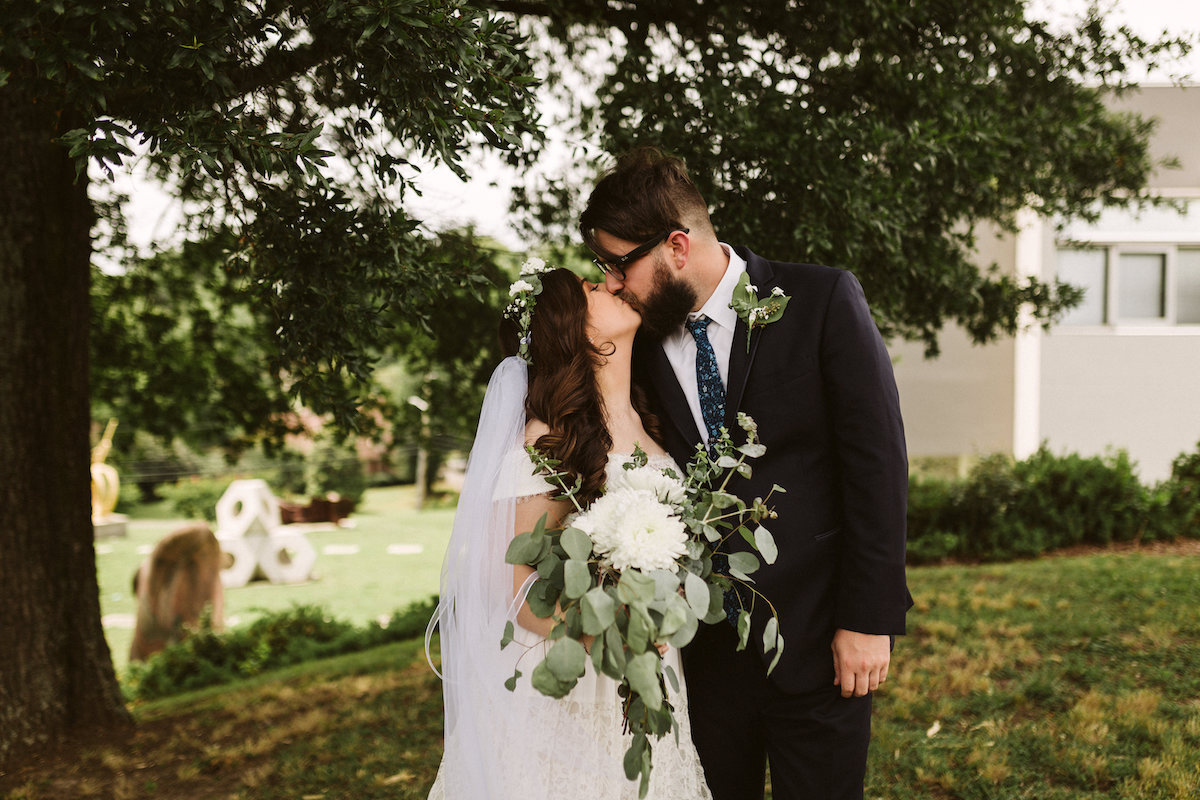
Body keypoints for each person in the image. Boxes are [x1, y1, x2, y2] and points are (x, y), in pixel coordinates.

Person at [579, 147, 912, 800]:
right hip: (700, 659)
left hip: (821, 642)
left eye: (620, 264)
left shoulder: (820, 299)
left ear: (677, 246)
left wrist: (869, 621)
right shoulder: (635, 345)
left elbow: (877, 468)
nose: (614, 283)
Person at [425, 267, 712, 799]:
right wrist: (617, 638)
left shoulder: (649, 423)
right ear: (574, 330)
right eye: (591, 290)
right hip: (578, 680)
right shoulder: (551, 438)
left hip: (649, 673)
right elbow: (517, 586)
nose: (610, 282)